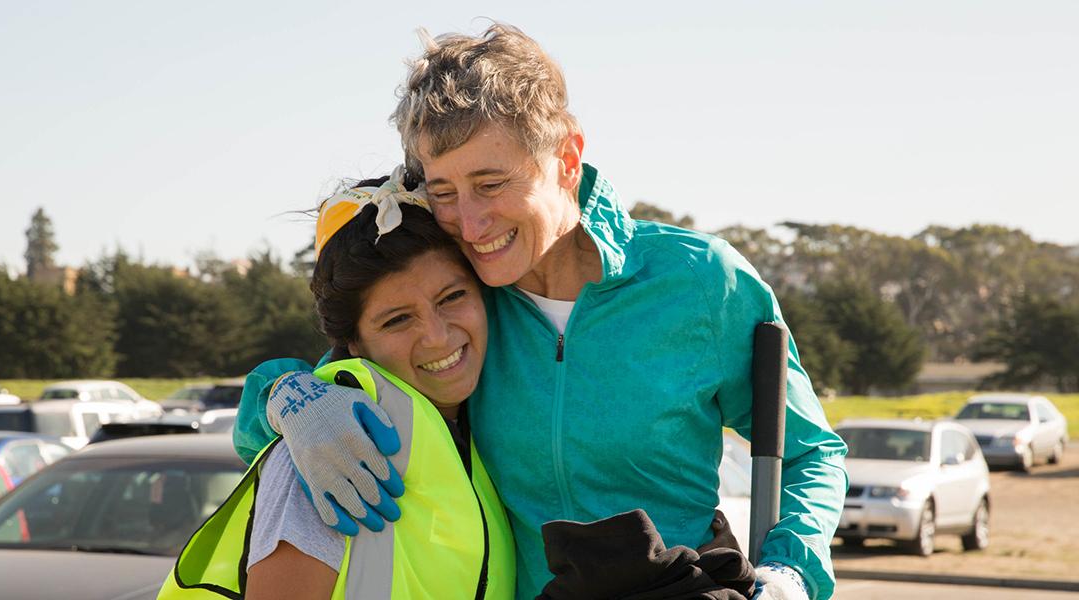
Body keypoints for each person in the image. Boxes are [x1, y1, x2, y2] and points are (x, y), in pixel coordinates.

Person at [234, 24, 847, 600]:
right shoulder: (458, 298)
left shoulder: (700, 281)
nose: (469, 225)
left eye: (491, 183)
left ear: (567, 159)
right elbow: (312, 389)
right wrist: (289, 399)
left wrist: (791, 570)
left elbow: (812, 451)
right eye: (443, 192)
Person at [159, 171, 515, 599]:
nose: (438, 336)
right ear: (354, 341)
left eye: (452, 297)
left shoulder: (478, 429)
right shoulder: (322, 452)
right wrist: (286, 395)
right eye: (397, 319)